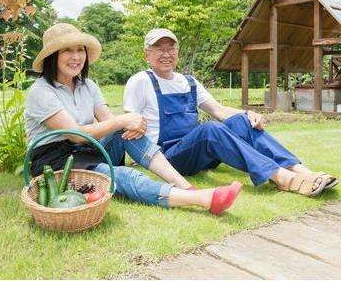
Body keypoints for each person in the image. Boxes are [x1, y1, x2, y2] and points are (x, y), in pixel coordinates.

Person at [24, 23, 241, 215]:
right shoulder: (41, 91)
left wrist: (130, 124)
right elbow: (76, 135)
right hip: (55, 160)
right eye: (67, 51)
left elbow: (111, 125)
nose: (76, 57)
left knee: (124, 130)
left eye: (80, 50)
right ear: (53, 57)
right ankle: (202, 199)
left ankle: (184, 186)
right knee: (121, 174)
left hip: (88, 149)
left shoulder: (87, 86)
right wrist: (123, 121)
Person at [123, 28, 339, 197]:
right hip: (169, 158)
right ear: (147, 54)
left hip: (200, 153)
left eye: (171, 48)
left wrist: (246, 114)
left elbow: (218, 110)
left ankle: (301, 170)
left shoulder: (188, 81)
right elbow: (129, 121)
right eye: (159, 48)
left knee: (241, 121)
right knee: (209, 129)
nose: (166, 54)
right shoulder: (141, 81)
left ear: (177, 52)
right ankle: (281, 177)